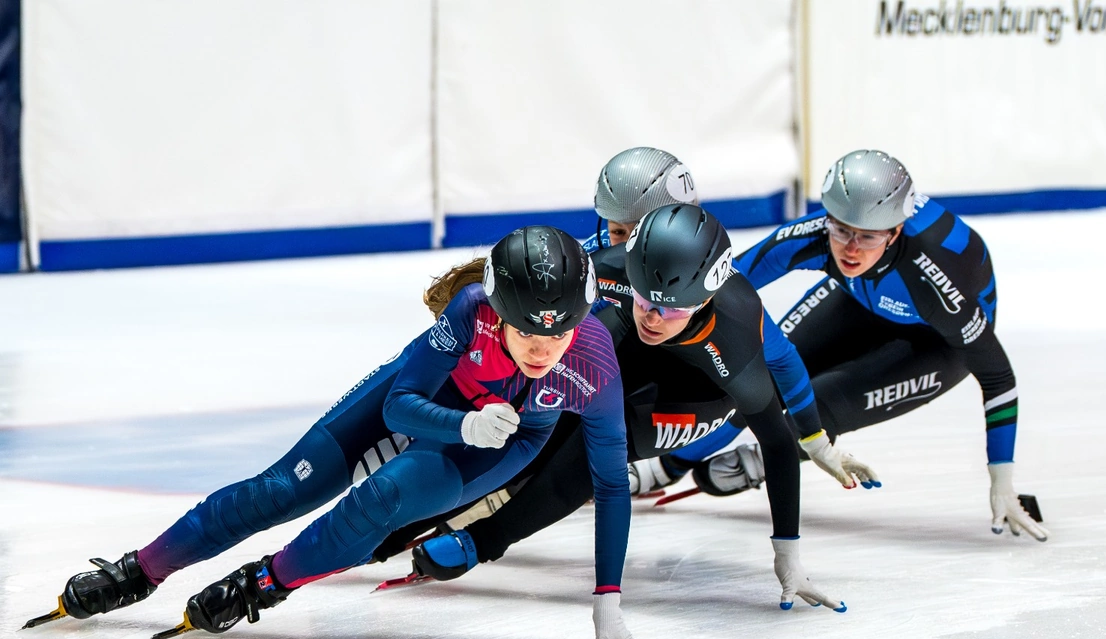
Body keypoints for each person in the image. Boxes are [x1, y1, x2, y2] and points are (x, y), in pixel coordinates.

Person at [24, 226, 670, 639]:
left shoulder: (592, 365)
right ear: (497, 308)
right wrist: (463, 423)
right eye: (526, 329)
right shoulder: (469, 311)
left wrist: (607, 598)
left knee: (383, 498)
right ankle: (139, 569)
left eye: (558, 335)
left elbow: (611, 482)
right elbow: (398, 405)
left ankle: (265, 583)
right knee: (281, 490)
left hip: (499, 444)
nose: (541, 348)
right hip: (439, 409)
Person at [371, 205, 880, 612]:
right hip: (627, 351)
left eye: (671, 307)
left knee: (597, 455)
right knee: (542, 405)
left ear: (704, 300)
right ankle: (409, 518)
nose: (654, 317)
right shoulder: (612, 271)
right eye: (644, 298)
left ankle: (482, 542)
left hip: (698, 393)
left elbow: (774, 435)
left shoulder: (738, 340)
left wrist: (789, 549)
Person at [640, 149, 1049, 541]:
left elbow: (998, 377)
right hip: (859, 300)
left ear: (896, 231)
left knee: (814, 407)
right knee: (759, 373)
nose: (851, 248)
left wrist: (1002, 479)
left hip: (937, 343)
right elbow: (718, 283)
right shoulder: (820, 235)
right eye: (841, 230)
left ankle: (759, 460)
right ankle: (669, 465)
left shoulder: (935, 280)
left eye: (868, 237)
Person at [583, 146, 698, 253]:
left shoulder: (701, 257)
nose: (629, 244)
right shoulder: (591, 256)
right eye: (618, 232)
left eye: (643, 231)